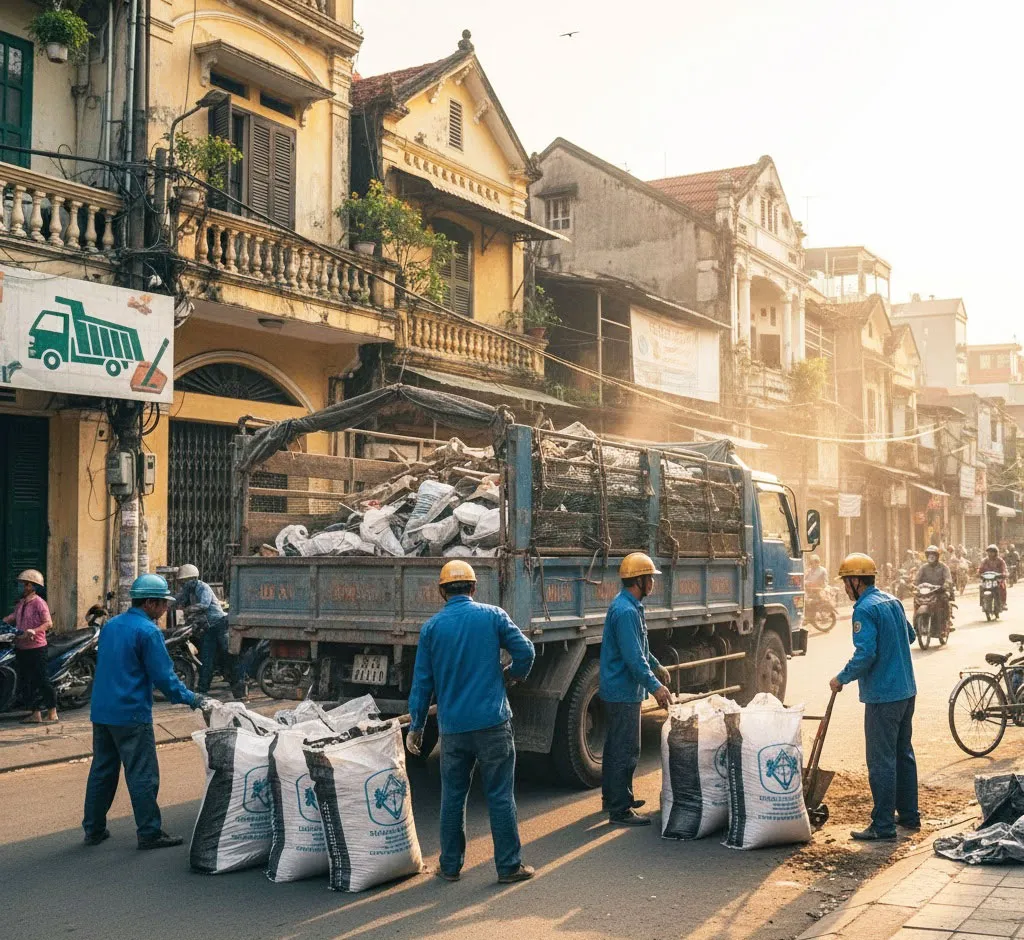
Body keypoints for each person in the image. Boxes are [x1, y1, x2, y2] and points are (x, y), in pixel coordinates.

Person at [407, 560, 536, 885]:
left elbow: (422, 684)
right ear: (474, 588)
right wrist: (512, 675)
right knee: (500, 795)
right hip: (493, 723)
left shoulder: (432, 629)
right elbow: (526, 652)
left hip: (454, 730)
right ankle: (508, 867)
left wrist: (417, 726)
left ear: (441, 591)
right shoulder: (492, 616)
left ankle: (450, 866)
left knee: (452, 795)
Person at [83, 574, 210, 849]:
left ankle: (93, 829)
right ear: (150, 603)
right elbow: (164, 678)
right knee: (142, 773)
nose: (165, 608)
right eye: (163, 603)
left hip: (102, 710)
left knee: (102, 771)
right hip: (131, 713)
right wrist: (193, 698)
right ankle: (149, 832)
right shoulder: (148, 632)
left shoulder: (111, 626)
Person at [830, 553, 918, 841]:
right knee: (903, 754)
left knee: (881, 761)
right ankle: (909, 816)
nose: (845, 587)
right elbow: (911, 636)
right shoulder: (892, 601)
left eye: (846, 582)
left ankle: (883, 826)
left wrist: (841, 678)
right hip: (906, 692)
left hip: (884, 697)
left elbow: (866, 654)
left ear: (856, 581)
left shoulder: (864, 610)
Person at [599, 552, 673, 827]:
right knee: (627, 748)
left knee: (615, 746)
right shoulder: (626, 611)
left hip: (619, 687)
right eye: (650, 578)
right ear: (639, 580)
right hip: (622, 689)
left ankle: (616, 797)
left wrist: (656, 665)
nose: (653, 582)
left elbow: (640, 649)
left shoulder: (630, 606)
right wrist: (656, 687)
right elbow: (632, 658)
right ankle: (619, 810)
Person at [174, 564, 240, 697]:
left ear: (192, 579)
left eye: (183, 582)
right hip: (207, 628)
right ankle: (203, 689)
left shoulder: (203, 587)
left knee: (228, 655)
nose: (182, 585)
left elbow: (204, 605)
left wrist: (189, 609)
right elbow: (177, 599)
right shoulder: (189, 591)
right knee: (206, 658)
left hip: (219, 624)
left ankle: (239, 687)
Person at [3, 569, 58, 723]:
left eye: (24, 584)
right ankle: (36, 713)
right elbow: (13, 617)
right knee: (28, 682)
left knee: (42, 680)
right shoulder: (22, 603)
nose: (21, 587)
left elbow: (48, 623)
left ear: (32, 586)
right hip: (22, 647)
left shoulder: (39, 603)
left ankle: (52, 711)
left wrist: (34, 630)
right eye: (21, 584)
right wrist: (3, 622)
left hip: (37, 648)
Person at [915, 545, 954, 629]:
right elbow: (917, 579)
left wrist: (945, 586)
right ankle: (916, 623)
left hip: (939, 591)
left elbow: (948, 579)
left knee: (945, 599)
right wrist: (915, 586)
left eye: (933, 554)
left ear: (937, 556)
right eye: (929, 554)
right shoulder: (923, 567)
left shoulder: (944, 567)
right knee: (916, 600)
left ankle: (947, 622)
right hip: (925, 591)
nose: (931, 556)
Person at [979, 545, 1009, 611]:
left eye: (992, 552)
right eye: (989, 552)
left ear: (996, 553)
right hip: (987, 579)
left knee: (1002, 587)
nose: (990, 554)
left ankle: (1003, 603)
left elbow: (1004, 569)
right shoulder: (985, 561)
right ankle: (983, 603)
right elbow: (980, 569)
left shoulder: (1000, 561)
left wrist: (1004, 574)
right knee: (981, 587)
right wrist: (978, 573)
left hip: (998, 579)